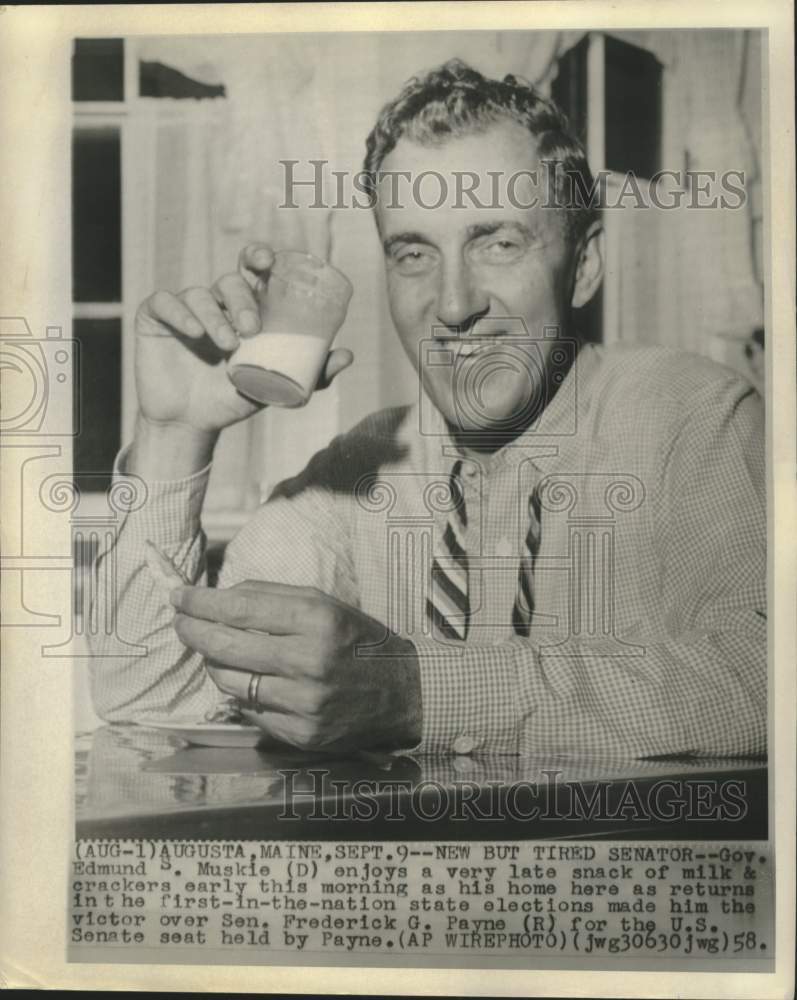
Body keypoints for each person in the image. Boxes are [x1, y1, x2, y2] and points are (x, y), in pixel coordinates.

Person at [89, 60, 766, 758]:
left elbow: (768, 677)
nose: (451, 306)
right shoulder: (360, 469)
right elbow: (153, 702)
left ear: (584, 264)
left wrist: (423, 694)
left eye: (497, 243)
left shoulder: (689, 415)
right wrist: (173, 434)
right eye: (413, 254)